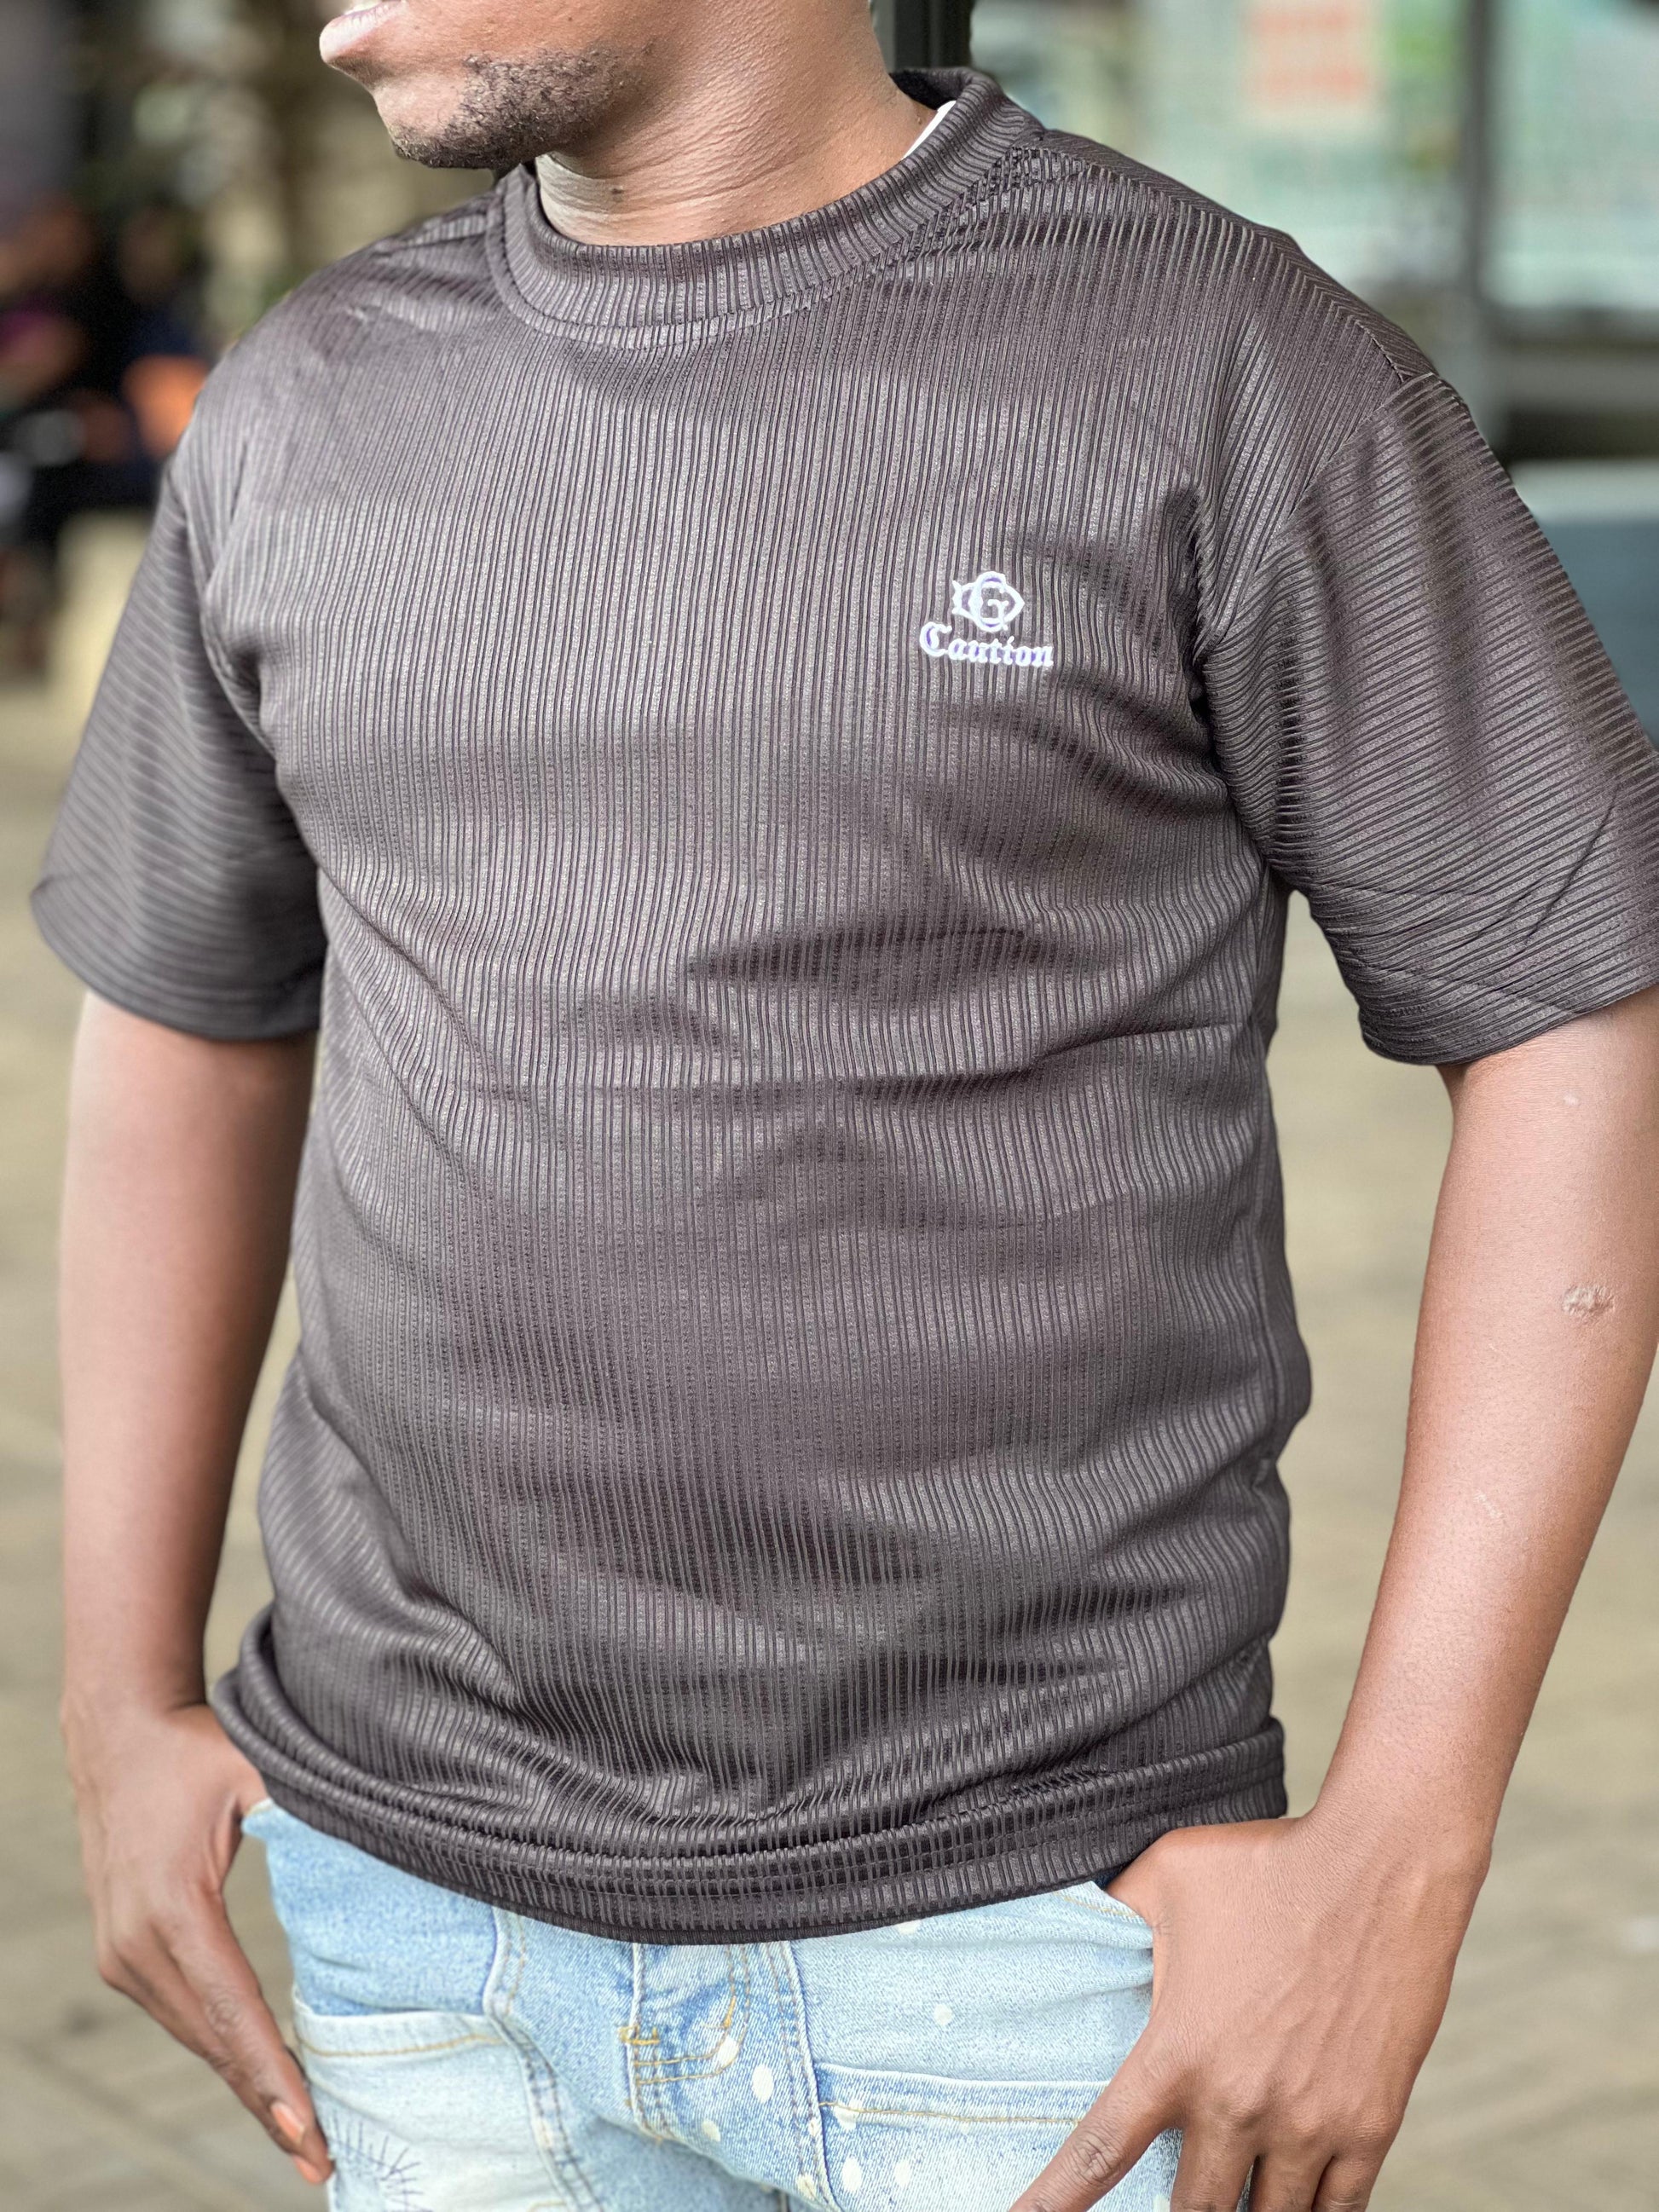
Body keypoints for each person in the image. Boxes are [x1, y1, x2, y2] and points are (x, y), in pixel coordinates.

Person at [32, 0, 1659, 2202]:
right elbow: (188, 1016)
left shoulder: (1222, 363)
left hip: (1033, 1941)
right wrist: (116, 1698)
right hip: (417, 1925)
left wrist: (1402, 1841)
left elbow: (1575, 1014)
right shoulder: (305, 399)